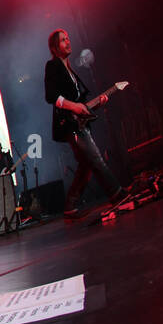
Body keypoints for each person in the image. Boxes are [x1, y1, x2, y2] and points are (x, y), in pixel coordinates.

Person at [44, 29, 127, 220]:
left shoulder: (70, 71)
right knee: (95, 158)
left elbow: (82, 107)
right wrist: (74, 106)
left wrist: (98, 103)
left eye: (68, 38)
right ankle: (117, 194)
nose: (68, 42)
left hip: (78, 122)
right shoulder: (52, 66)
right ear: (55, 47)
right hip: (69, 124)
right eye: (63, 40)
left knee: (85, 165)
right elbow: (51, 96)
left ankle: (70, 206)